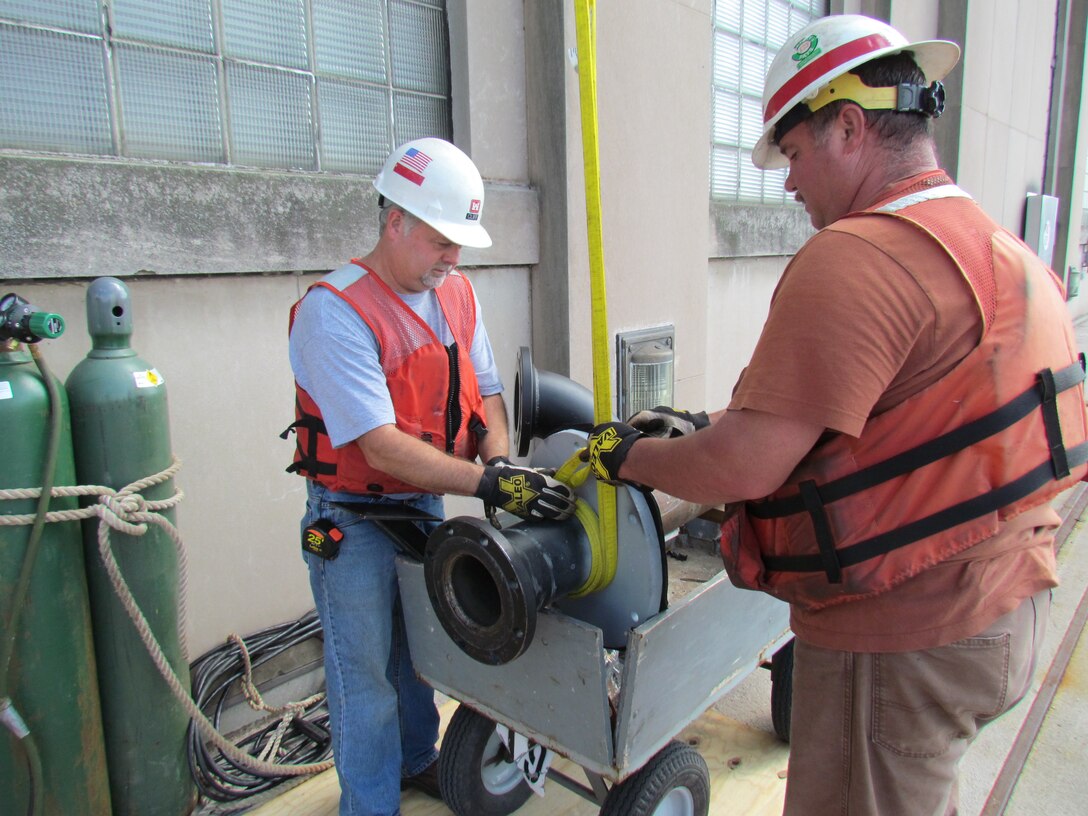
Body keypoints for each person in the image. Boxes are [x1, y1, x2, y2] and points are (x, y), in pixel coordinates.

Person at [586, 15, 1088, 816]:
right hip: (1005, 604)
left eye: (792, 154)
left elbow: (741, 466)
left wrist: (624, 456)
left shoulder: (859, 255)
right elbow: (892, 412)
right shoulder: (991, 248)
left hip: (902, 639)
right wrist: (711, 420)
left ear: (850, 125)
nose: (788, 184)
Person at [284, 137, 575, 816]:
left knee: (423, 655)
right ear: (396, 223)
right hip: (348, 518)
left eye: (459, 244)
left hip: (421, 506)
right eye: (443, 240)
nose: (454, 258)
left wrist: (500, 459)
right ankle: (370, 804)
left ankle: (418, 761)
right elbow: (380, 446)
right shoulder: (336, 312)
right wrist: (486, 486)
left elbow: (490, 395)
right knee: (365, 679)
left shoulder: (457, 295)